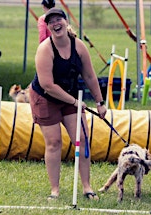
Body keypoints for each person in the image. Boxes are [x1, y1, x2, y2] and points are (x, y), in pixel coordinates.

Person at [29, 8, 106, 200]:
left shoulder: (78, 46)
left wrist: (100, 102)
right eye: (51, 21)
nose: (56, 24)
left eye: (59, 20)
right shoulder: (45, 49)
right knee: (54, 143)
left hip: (70, 96)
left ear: (66, 22)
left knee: (82, 138)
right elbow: (47, 85)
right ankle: (55, 190)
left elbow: (89, 75)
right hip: (45, 97)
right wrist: (75, 102)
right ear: (47, 27)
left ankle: (87, 187)